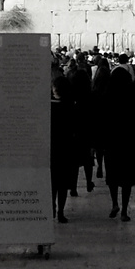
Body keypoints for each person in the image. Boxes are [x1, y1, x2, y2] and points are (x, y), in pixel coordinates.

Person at [100, 65, 135, 221]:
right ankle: (124, 210)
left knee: (113, 175)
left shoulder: (107, 96)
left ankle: (114, 203)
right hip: (130, 141)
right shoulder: (133, 97)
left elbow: (101, 121)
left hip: (112, 142)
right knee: (127, 178)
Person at [50, 74, 82, 222]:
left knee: (51, 183)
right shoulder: (71, 105)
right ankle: (61, 211)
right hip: (66, 148)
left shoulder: (48, 106)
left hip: (51, 148)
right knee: (62, 183)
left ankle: (52, 209)